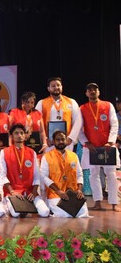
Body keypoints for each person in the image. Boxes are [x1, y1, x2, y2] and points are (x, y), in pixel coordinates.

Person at [78, 82, 120, 212]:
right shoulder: (82, 108)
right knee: (93, 175)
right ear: (86, 93)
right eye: (89, 90)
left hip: (107, 146)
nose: (92, 92)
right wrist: (86, 142)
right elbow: (78, 128)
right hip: (92, 147)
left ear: (98, 92)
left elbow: (114, 124)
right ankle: (97, 202)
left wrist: (111, 141)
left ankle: (114, 203)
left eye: (94, 90)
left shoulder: (108, 105)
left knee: (111, 175)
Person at [0, 124, 50, 217]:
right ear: (11, 136)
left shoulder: (32, 152)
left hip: (29, 191)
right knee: (16, 214)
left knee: (45, 212)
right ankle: (12, 204)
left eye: (21, 133)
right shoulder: (4, 152)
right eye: (16, 133)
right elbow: (2, 175)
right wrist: (12, 192)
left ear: (25, 135)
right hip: (13, 191)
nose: (19, 135)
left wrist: (34, 192)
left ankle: (28, 206)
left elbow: (36, 175)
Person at [40, 130, 90, 218]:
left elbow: (79, 174)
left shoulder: (73, 156)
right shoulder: (47, 157)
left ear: (66, 140)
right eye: (58, 140)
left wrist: (79, 190)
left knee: (83, 214)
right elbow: (44, 176)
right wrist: (58, 191)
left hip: (72, 194)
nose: (60, 142)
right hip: (55, 194)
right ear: (53, 141)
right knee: (65, 215)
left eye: (62, 139)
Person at [35, 76, 82, 152]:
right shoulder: (41, 103)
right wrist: (45, 139)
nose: (56, 87)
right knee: (50, 163)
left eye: (58, 85)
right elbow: (37, 123)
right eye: (53, 86)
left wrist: (71, 138)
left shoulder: (71, 102)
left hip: (66, 142)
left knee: (66, 163)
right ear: (48, 88)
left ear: (62, 87)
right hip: (49, 142)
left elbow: (78, 121)